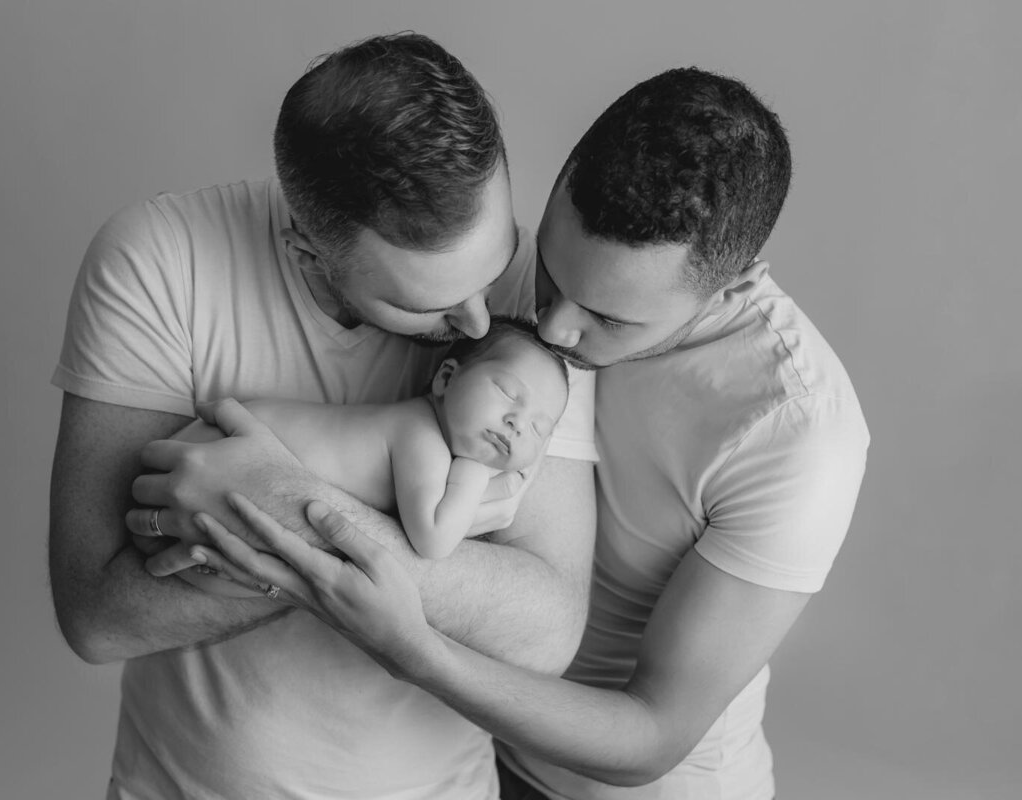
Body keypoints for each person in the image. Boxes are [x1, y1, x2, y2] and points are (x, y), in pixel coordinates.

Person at [187, 67, 871, 799]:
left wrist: (415, 651)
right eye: (550, 271)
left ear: (731, 287)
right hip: (480, 758)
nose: (552, 327)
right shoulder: (498, 282)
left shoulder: (796, 434)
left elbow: (652, 737)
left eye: (609, 320)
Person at [48, 33, 598, 800]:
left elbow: (544, 633)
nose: (480, 325)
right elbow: (99, 616)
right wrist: (399, 559)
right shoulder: (159, 260)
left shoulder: (531, 305)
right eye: (429, 303)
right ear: (308, 255)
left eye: (495, 263)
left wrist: (286, 506)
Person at [148, 317, 569, 572]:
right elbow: (434, 541)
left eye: (538, 428)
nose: (517, 423)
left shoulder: (423, 434)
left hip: (219, 463)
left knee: (265, 575)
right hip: (218, 454)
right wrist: (477, 474)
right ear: (446, 378)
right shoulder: (419, 435)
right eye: (508, 393)